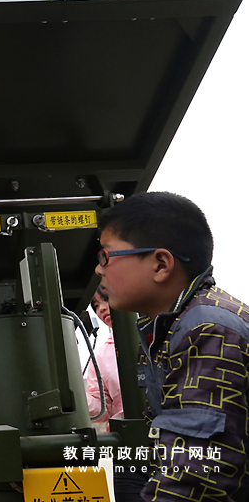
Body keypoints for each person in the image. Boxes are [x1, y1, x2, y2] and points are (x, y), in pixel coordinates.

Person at [96, 191, 249, 500]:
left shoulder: (208, 328)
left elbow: (199, 472)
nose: (99, 270)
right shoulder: (172, 327)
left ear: (161, 264)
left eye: (106, 256)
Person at [83, 285, 122, 430]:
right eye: (96, 306)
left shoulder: (158, 335)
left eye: (105, 299)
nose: (101, 309)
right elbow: (101, 408)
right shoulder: (99, 356)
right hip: (125, 437)